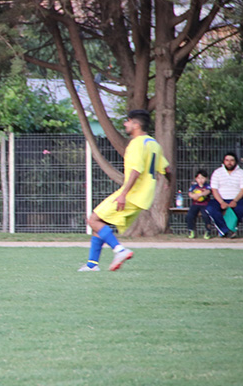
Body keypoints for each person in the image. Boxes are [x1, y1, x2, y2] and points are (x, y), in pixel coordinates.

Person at [79, 110, 171, 272]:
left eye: (127, 121)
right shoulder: (153, 144)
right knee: (100, 223)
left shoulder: (136, 144)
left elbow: (136, 170)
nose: (125, 124)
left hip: (133, 193)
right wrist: (168, 183)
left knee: (93, 220)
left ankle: (120, 250)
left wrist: (123, 194)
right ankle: (92, 265)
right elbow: (167, 169)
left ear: (136, 125)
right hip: (144, 196)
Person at [206, 152, 243, 238]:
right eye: (227, 160)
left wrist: (235, 201)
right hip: (220, 199)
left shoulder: (241, 173)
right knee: (210, 208)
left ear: (235, 161)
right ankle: (225, 230)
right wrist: (221, 202)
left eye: (232, 160)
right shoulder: (217, 172)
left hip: (237, 199)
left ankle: (231, 228)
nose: (229, 162)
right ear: (224, 161)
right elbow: (214, 190)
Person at [185, 169, 213, 239]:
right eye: (199, 178)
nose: (200, 180)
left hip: (205, 205)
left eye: (202, 178)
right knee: (189, 215)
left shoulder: (207, 186)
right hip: (195, 204)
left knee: (206, 216)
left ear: (206, 178)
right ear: (196, 179)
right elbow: (190, 193)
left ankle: (208, 231)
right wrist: (193, 196)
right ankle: (191, 230)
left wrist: (200, 194)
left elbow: (208, 192)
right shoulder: (194, 186)